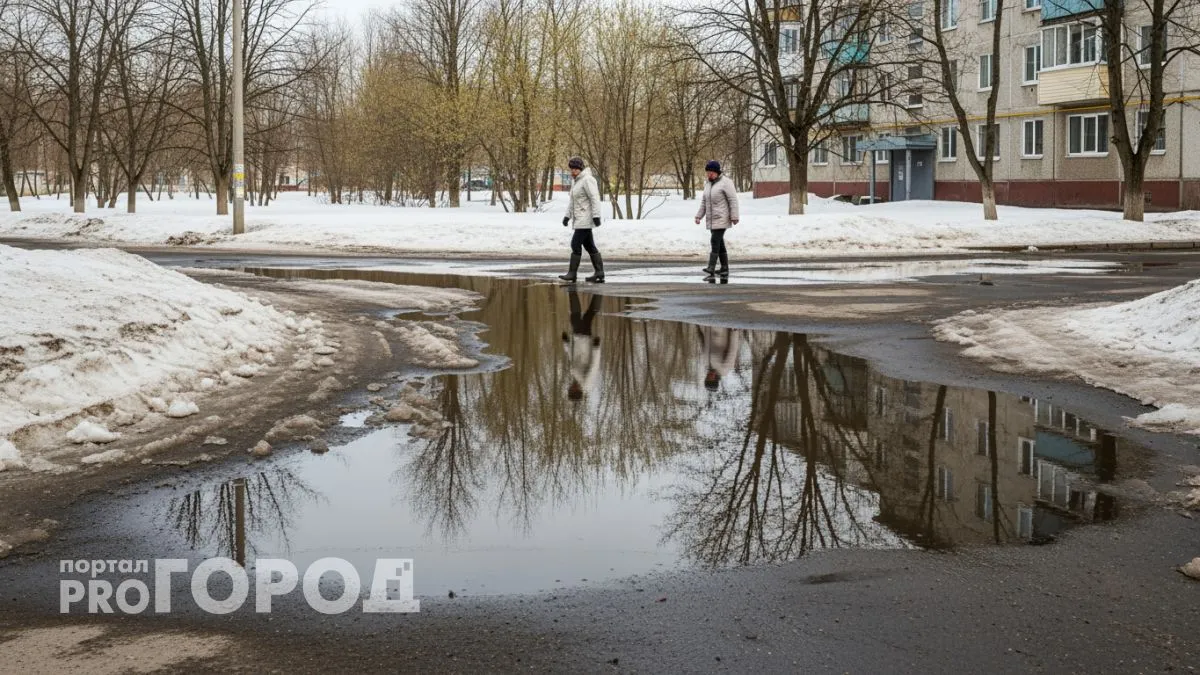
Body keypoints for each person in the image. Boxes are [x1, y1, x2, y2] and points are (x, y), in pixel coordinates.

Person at [560, 156, 604, 283]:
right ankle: (599, 272)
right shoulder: (576, 182)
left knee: (575, 244)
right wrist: (567, 216)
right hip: (579, 218)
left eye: (575, 169)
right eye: (571, 169)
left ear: (581, 169)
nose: (573, 171)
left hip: (585, 218)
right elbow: (572, 202)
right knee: (590, 246)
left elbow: (594, 198)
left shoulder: (588, 180)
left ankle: (572, 273)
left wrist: (596, 216)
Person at [694, 160, 739, 281]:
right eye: (707, 172)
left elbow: (733, 200)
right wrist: (699, 216)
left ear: (717, 172)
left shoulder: (726, 182)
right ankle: (724, 268)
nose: (709, 175)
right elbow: (704, 202)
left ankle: (711, 267)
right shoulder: (708, 184)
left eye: (711, 173)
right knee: (720, 244)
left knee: (714, 241)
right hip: (711, 219)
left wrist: (734, 216)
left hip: (722, 217)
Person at [562, 290, 602, 400]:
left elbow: (572, 358)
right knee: (576, 318)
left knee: (588, 316)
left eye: (569, 388)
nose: (570, 386)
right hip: (584, 341)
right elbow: (594, 366)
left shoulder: (577, 379)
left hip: (578, 340)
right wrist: (596, 348)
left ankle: (598, 292)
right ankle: (572, 290)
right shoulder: (586, 383)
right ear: (576, 391)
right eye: (570, 389)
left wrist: (566, 343)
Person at [698, 325, 741, 391]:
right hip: (722, 328)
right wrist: (734, 331)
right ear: (716, 380)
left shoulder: (706, 365)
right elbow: (732, 350)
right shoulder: (724, 369)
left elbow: (702, 344)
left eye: (707, 378)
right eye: (710, 379)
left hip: (708, 326)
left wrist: (698, 328)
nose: (708, 376)